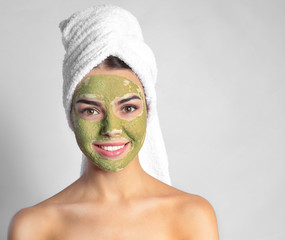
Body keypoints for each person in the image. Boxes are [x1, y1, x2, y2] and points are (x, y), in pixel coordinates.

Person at [8, 4, 219, 240]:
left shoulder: (192, 215)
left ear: (148, 111)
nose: (111, 129)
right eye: (91, 110)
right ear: (71, 116)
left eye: (128, 108)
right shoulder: (34, 226)